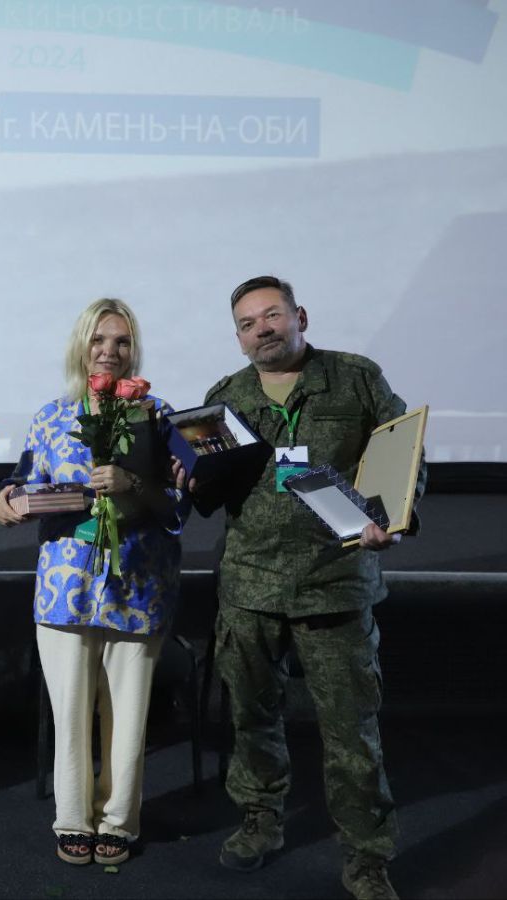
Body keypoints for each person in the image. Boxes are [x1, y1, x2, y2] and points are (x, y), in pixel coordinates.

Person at [194, 275, 425, 900]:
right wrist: (188, 478)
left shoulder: (355, 378)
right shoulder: (224, 400)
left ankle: (367, 857)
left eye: (272, 315)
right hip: (250, 586)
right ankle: (260, 819)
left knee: (352, 732)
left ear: (300, 316)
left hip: (335, 582)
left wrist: (392, 517)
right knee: (252, 718)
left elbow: (406, 456)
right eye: (248, 324)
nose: (262, 330)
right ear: (239, 339)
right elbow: (208, 489)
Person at [0, 297, 185, 867]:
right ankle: (73, 818)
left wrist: (132, 484)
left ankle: (118, 820)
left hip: (138, 585)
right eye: (99, 339)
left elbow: (178, 508)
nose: (109, 351)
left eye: (121, 341)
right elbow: (18, 486)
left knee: (128, 717)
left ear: (133, 350)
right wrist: (4, 504)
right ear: (81, 345)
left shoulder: (160, 416)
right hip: (64, 589)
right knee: (70, 714)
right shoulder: (50, 416)